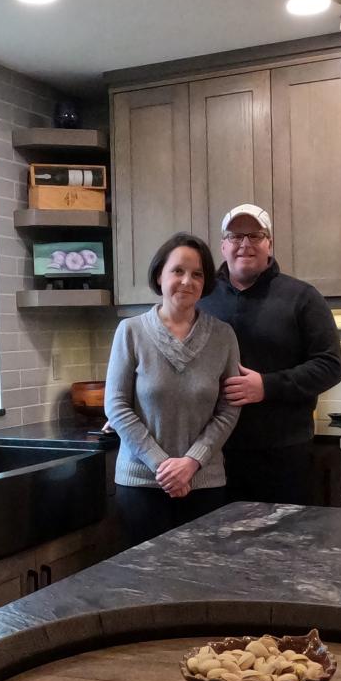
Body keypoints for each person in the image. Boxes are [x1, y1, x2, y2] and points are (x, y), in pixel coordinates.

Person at [199, 204, 341, 505]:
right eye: (236, 236)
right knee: (214, 547)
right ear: (223, 245)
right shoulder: (201, 299)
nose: (245, 244)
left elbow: (330, 366)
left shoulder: (303, 297)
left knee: (284, 547)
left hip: (283, 456)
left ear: (270, 243)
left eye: (255, 235)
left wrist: (266, 386)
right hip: (212, 456)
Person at [105, 232, 241, 546]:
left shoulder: (223, 336)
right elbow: (116, 406)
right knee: (144, 585)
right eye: (177, 271)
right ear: (159, 275)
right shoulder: (131, 331)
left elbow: (229, 409)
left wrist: (192, 462)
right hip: (140, 485)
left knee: (202, 582)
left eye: (197, 274)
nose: (187, 281)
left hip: (204, 484)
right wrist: (162, 466)